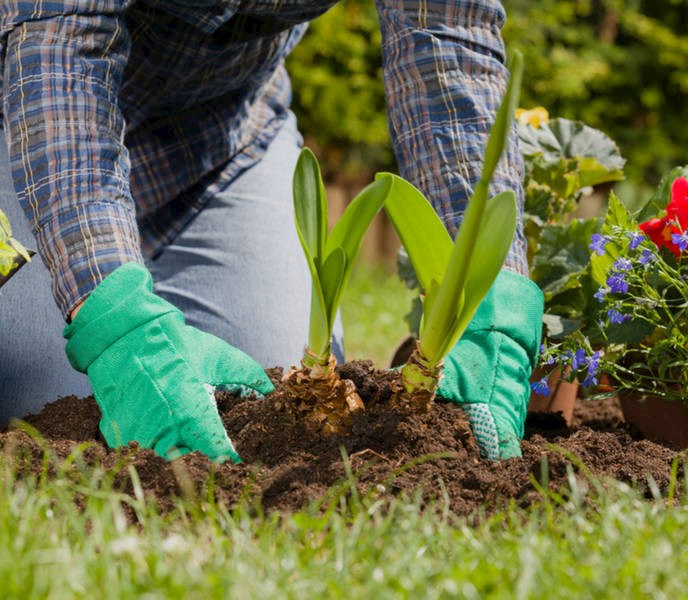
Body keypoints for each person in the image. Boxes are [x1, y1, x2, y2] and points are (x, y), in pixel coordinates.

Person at [0, 1, 543, 462]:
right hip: (22, 134)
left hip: (218, 139)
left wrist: (489, 306)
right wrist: (116, 321)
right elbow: (57, 49)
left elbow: (445, 40)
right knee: (47, 408)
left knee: (278, 412)